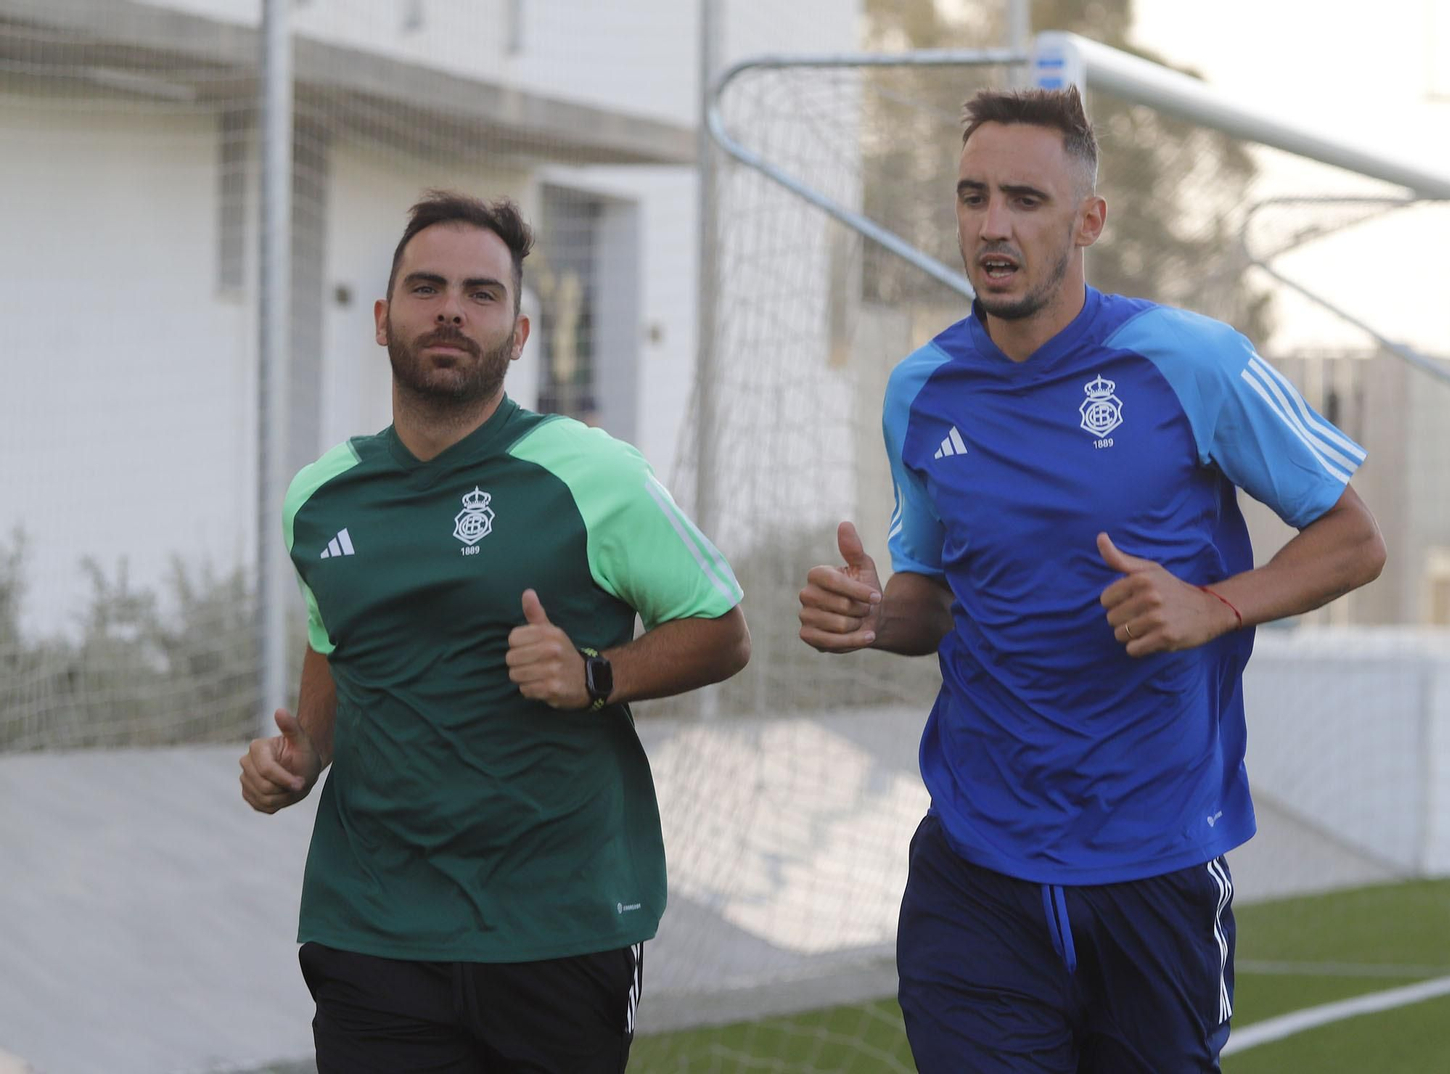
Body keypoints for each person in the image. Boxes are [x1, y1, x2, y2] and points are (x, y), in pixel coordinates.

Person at [798, 87, 1385, 1072]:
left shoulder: (1190, 361)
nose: (991, 225)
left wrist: (1213, 605)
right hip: (974, 868)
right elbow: (933, 597)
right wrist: (872, 615)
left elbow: (1353, 538)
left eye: (1025, 200)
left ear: (1088, 219)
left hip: (1153, 865)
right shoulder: (921, 391)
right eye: (972, 196)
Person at [239, 190, 750, 1073]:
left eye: (481, 294)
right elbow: (335, 642)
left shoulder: (591, 472)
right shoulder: (319, 499)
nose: (449, 309)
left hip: (556, 929)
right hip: (373, 927)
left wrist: (596, 674)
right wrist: (300, 758)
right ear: (382, 318)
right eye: (426, 287)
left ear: (517, 334)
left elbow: (722, 628)